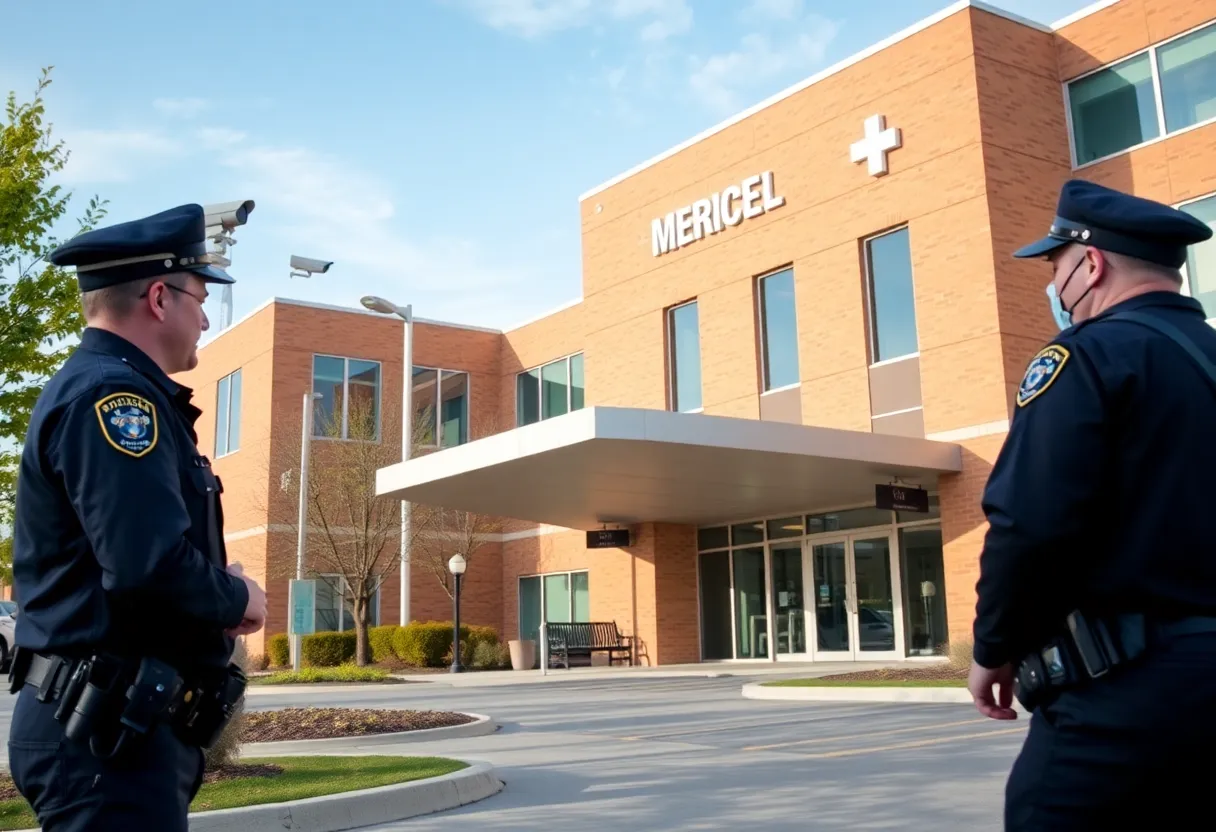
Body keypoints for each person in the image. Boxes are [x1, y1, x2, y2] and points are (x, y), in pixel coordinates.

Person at [6, 204, 268, 832]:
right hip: (101, 740)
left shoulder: (109, 390)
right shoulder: (114, 399)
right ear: (158, 296)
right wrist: (238, 598)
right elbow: (146, 565)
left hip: (111, 731)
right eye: (201, 297)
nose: (206, 316)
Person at [967, 178, 1216, 828]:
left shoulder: (1087, 358)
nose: (1053, 286)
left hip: (1128, 697)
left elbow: (1029, 523)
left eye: (1055, 265)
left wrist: (995, 647)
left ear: (1091, 264)